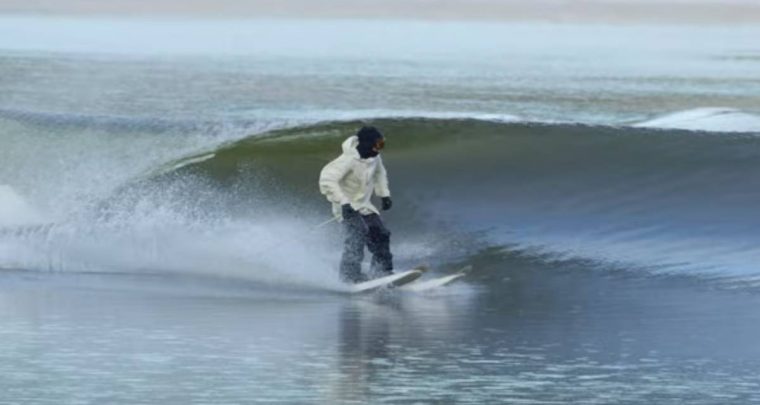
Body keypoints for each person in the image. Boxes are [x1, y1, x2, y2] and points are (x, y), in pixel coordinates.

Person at [319, 126, 394, 283]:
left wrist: (384, 194)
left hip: (365, 206)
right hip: (346, 208)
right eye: (378, 144)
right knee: (357, 236)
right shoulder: (348, 160)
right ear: (366, 143)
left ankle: (382, 272)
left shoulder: (375, 158)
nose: (379, 148)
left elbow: (380, 174)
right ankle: (349, 277)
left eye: (382, 144)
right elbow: (327, 180)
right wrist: (344, 203)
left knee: (381, 234)